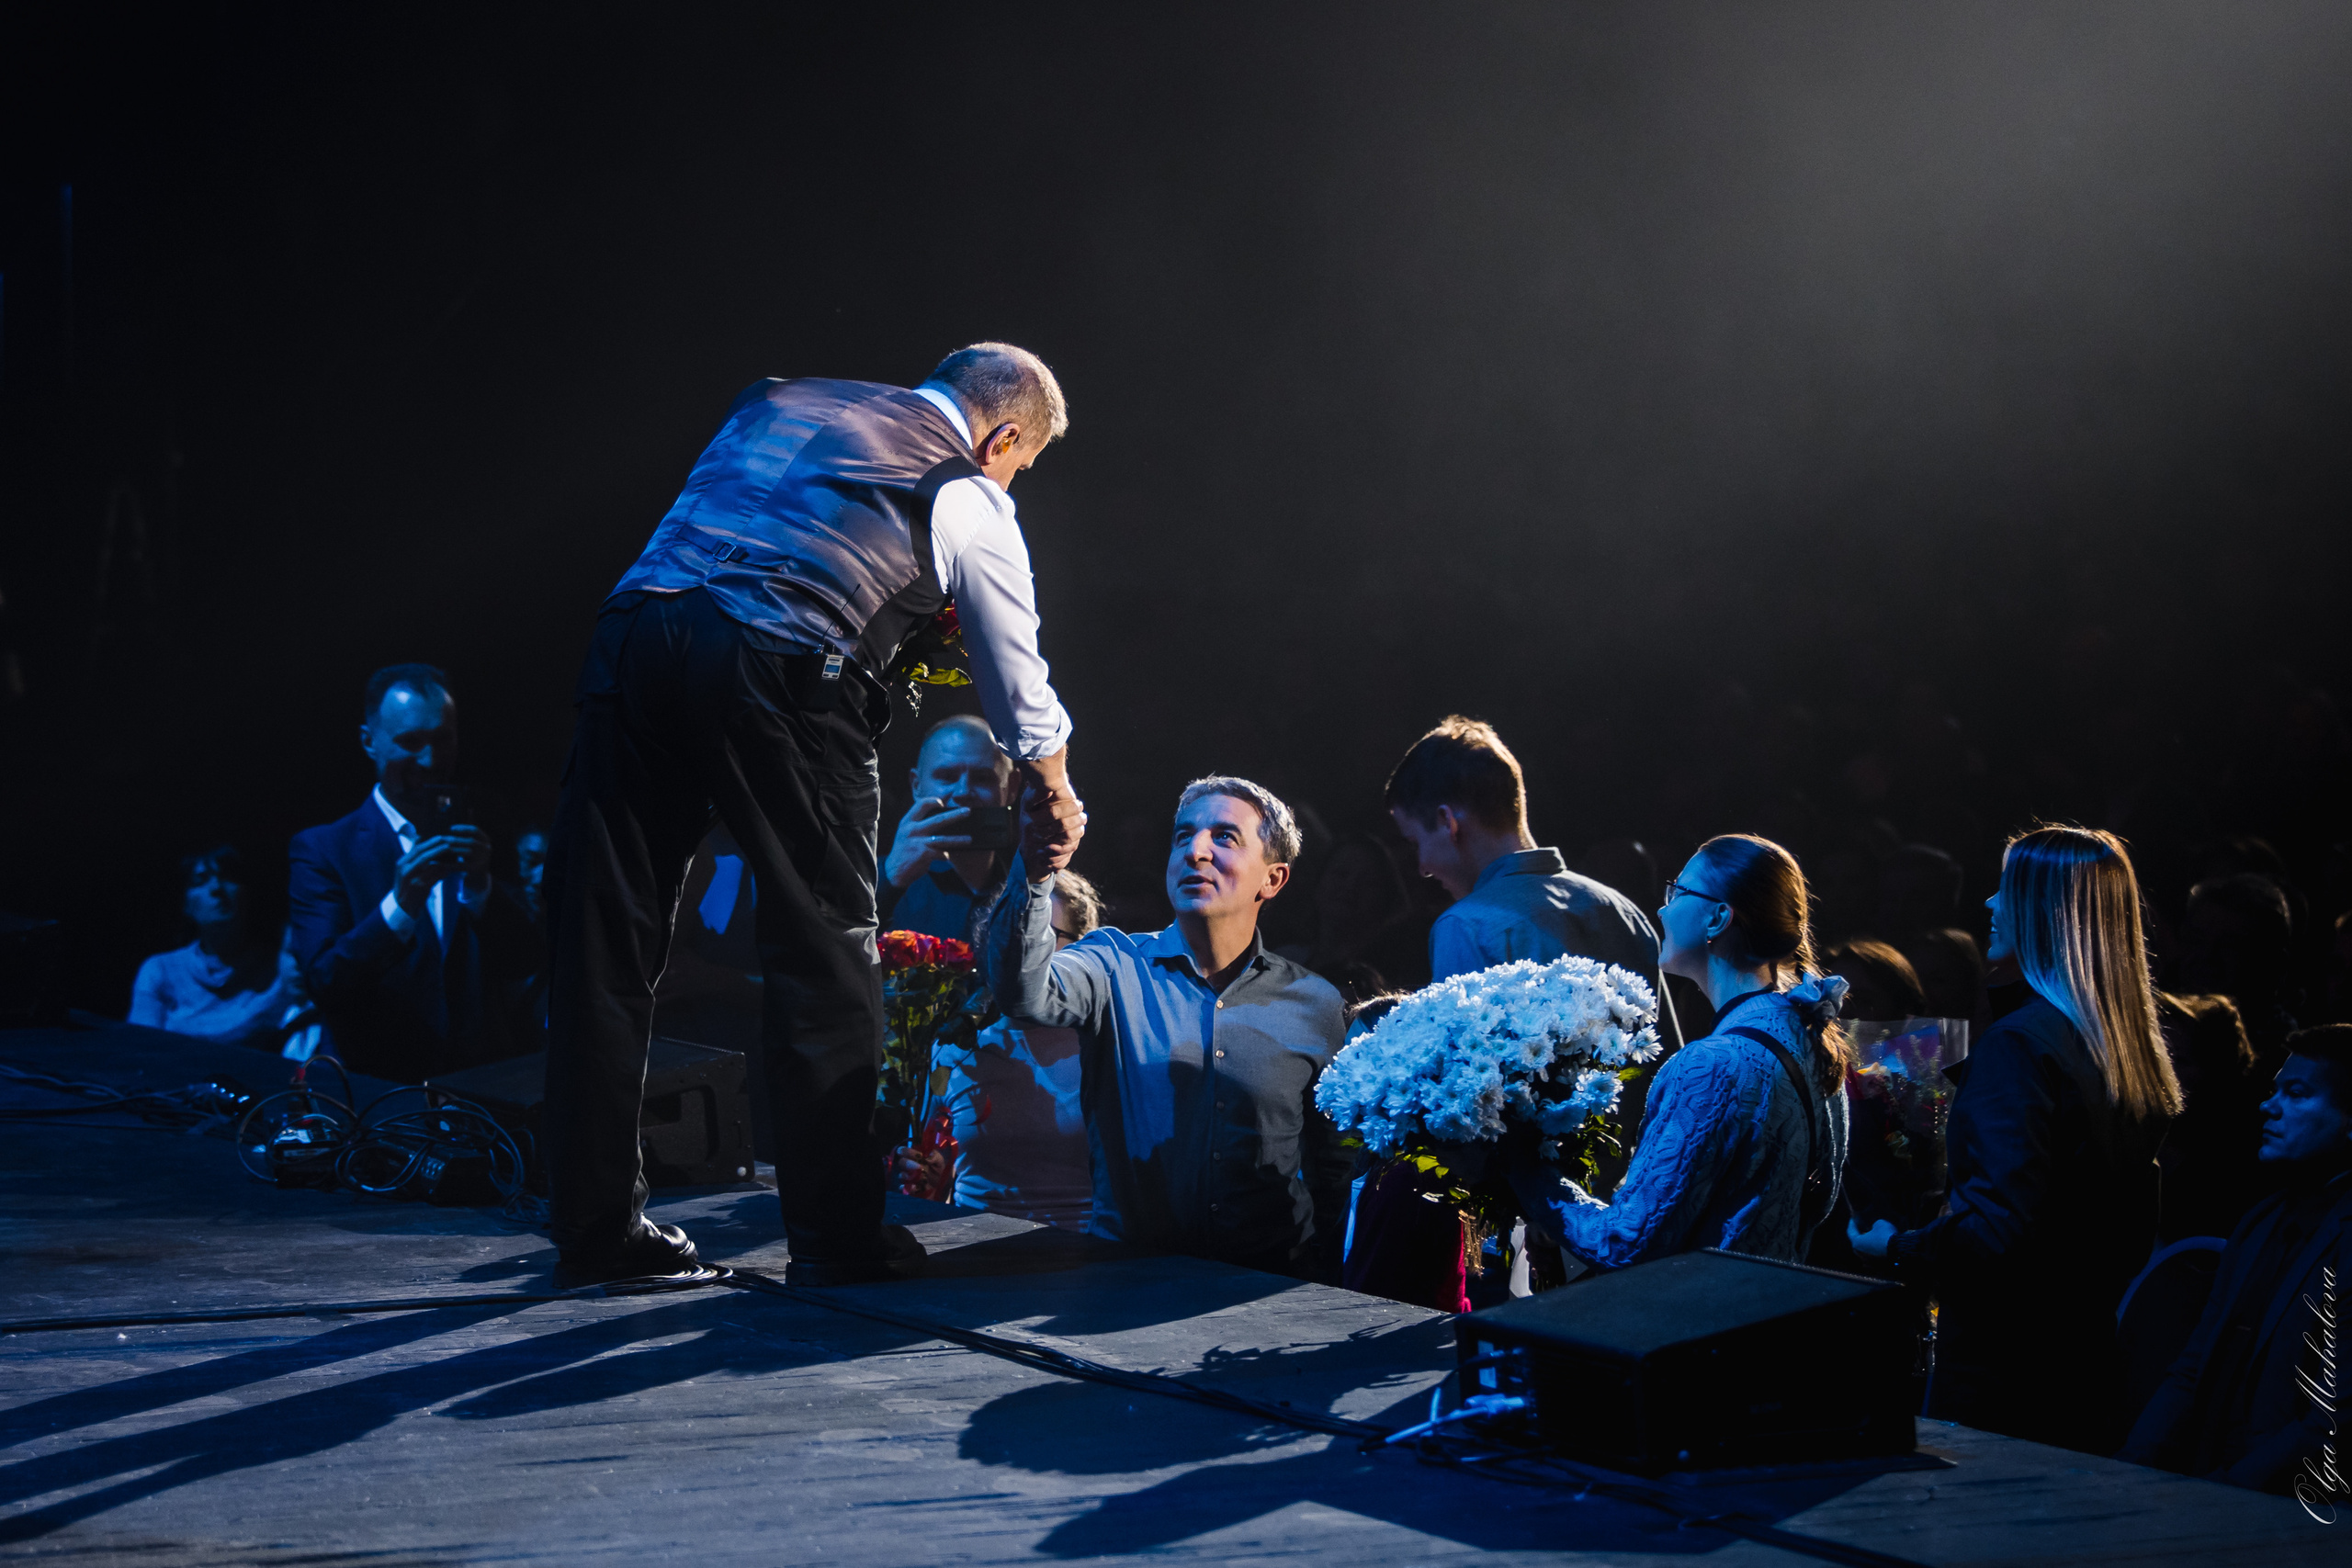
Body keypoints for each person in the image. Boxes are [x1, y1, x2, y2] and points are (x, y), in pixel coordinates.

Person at [544, 344, 1084, 1290]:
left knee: (602, 940)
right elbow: (1017, 687)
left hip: (635, 633)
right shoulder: (965, 491)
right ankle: (836, 1236)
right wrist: (1053, 787)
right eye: (1020, 466)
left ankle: (595, 1229)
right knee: (827, 950)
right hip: (782, 662)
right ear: (1002, 437)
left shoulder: (774, 397)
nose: (1011, 481)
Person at [1851, 826, 2182, 1454]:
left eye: (2007, 888)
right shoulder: (2120, 1046)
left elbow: (1999, 1226)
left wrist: (1898, 1244)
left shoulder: (2023, 1044)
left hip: (2001, 1371)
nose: (1989, 904)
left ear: (2045, 911)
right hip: (2079, 1364)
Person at [985, 776, 1349, 1276]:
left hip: (1271, 1286)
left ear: (1273, 879)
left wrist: (1326, 1281)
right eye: (1183, 836)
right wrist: (1034, 870)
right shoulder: (1113, 963)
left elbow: (1335, 1167)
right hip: (1130, 1276)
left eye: (1225, 837)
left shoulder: (1315, 1003)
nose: (1196, 850)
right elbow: (1021, 993)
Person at [1501, 833, 1851, 1271]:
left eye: (1678, 892)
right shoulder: (1810, 1038)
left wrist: (1526, 1172)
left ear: (1718, 918)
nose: (1663, 908)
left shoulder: (1712, 1065)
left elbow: (1625, 1243)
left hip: (1707, 1328)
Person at [2120, 1024, 2352, 1499]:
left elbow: (2336, 1414)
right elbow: (2194, 1365)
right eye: (2275, 1089)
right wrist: (2129, 1470)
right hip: (2220, 1485)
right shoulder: (2262, 1220)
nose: (2269, 1106)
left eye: (2297, 1093)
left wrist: (2232, 1491)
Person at [288, 665, 540, 1083]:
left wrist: (481, 889)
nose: (430, 759)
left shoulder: (487, 829)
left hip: (484, 1089)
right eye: (410, 742)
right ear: (369, 742)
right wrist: (400, 907)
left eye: (443, 739)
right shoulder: (325, 849)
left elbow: (525, 960)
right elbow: (326, 982)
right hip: (378, 1094)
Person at [1385, 716, 1679, 1047]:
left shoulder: (1467, 926)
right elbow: (1672, 1073)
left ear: (1446, 821)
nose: (1422, 868)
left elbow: (1470, 1086)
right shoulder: (1622, 909)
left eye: (1415, 843)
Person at [903, 869, 1104, 1231]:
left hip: (1086, 1256)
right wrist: (925, 1181)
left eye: (1043, 934)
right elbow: (932, 1174)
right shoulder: (953, 1050)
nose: (1021, 948)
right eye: (1010, 932)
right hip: (973, 1253)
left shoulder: (1108, 1044)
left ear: (1081, 949)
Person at [129, 846, 303, 1048]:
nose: (216, 888)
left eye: (227, 877)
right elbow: (140, 1048)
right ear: (185, 903)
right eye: (200, 881)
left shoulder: (280, 968)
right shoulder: (161, 969)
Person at [879, 715, 1017, 943]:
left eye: (982, 778)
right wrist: (888, 881)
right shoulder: (867, 881)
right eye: (946, 777)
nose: (963, 791)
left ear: (1012, 786)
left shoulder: (1029, 898)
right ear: (917, 785)